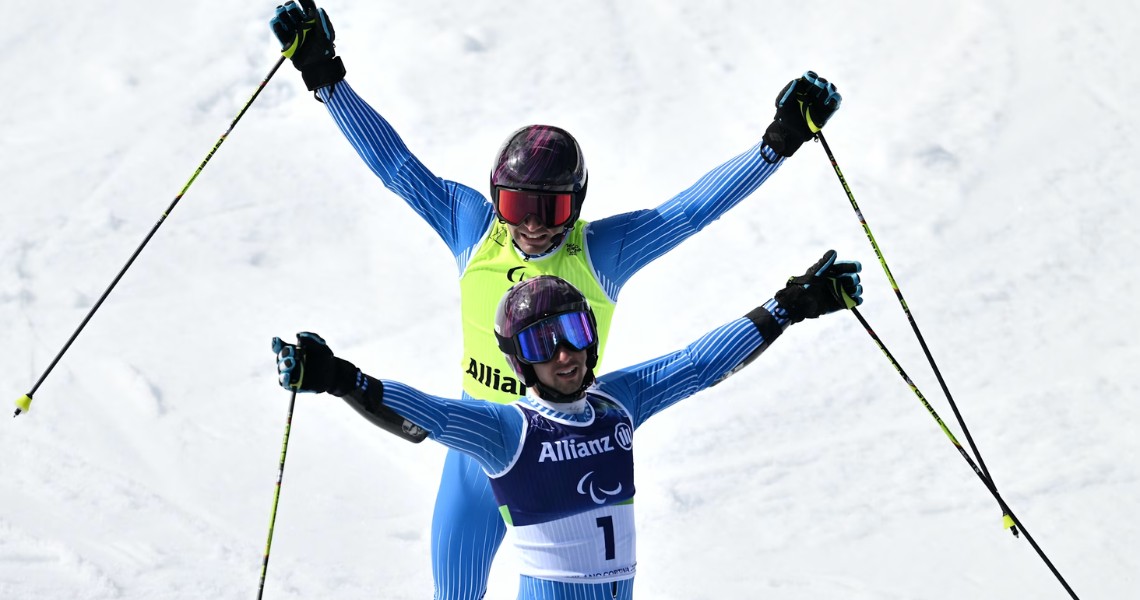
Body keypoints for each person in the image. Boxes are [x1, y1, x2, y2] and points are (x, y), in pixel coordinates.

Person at [268, 1, 844, 597]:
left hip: (561, 443)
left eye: (554, 210)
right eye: (518, 207)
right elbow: (394, 166)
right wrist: (325, 77)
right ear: (496, 200)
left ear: (579, 202)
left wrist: (779, 142)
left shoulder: (603, 251)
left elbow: (692, 212)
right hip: (480, 442)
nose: (536, 227)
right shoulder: (471, 228)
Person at [271, 251, 862, 599]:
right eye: (542, 343)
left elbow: (699, 364)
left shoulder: (617, 401)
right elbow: (426, 411)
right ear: (519, 360)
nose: (564, 354)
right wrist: (340, 377)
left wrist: (790, 307)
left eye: (576, 333)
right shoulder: (506, 430)